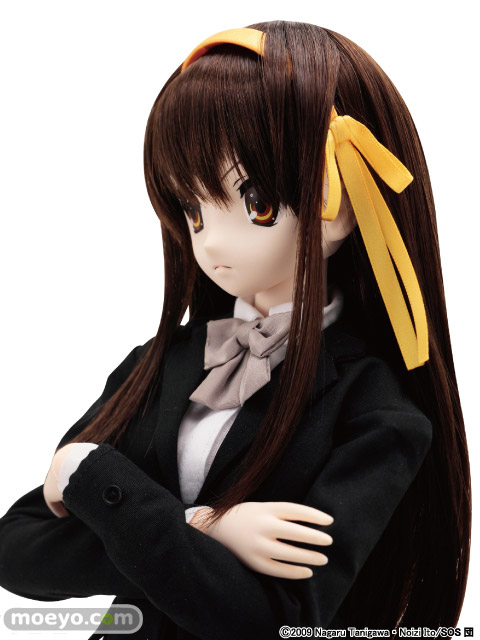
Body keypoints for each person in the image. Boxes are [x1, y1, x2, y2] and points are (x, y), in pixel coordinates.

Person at [0, 20, 470, 639]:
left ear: (341, 207)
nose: (212, 242)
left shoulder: (376, 411)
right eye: (193, 211)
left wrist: (90, 477)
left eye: (256, 204)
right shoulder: (158, 363)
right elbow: (18, 547)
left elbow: (272, 619)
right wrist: (201, 527)